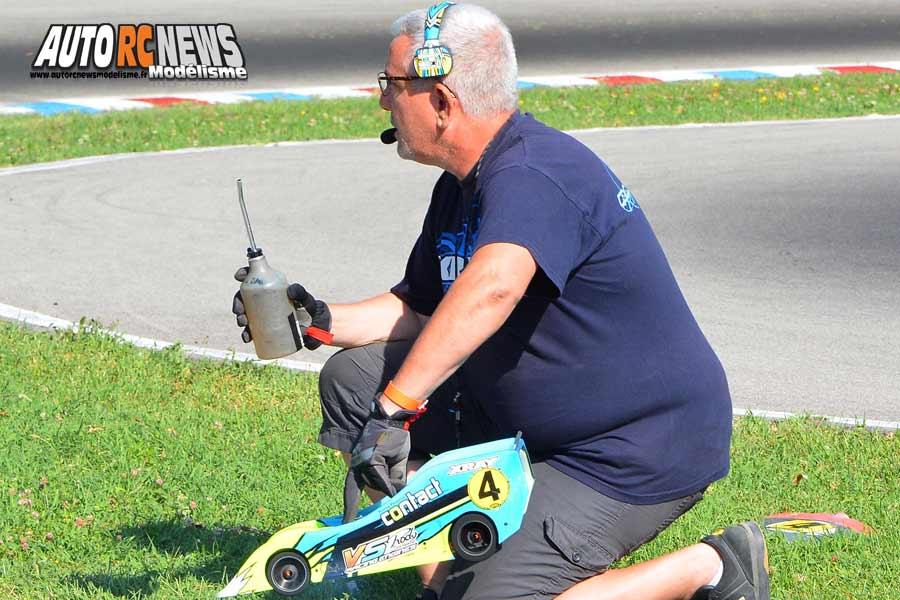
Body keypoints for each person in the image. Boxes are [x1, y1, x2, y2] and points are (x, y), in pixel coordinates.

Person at [232, 3, 770, 600]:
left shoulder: (536, 173)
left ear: (441, 102)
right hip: (525, 422)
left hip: (628, 450)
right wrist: (320, 322)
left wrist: (395, 411)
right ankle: (439, 573)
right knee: (353, 380)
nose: (384, 101)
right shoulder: (463, 185)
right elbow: (424, 310)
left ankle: (712, 567)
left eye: (392, 86)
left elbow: (493, 286)